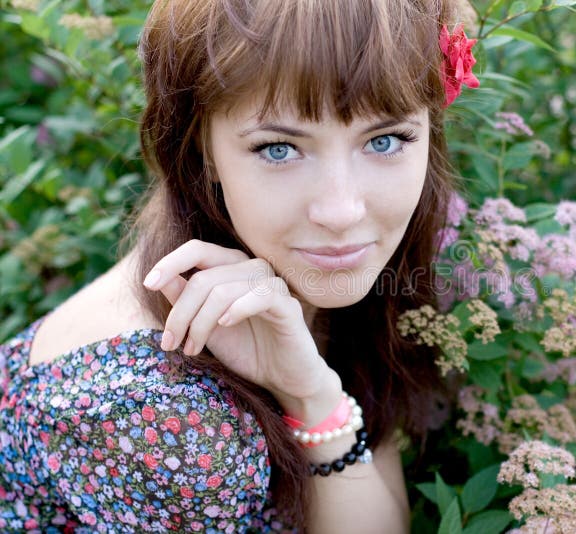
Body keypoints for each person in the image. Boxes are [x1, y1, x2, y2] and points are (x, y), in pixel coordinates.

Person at [0, 0, 480, 532]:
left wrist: (313, 395)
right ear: (202, 146)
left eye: (384, 140)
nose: (342, 212)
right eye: (278, 149)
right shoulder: (162, 415)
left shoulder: (299, 280)